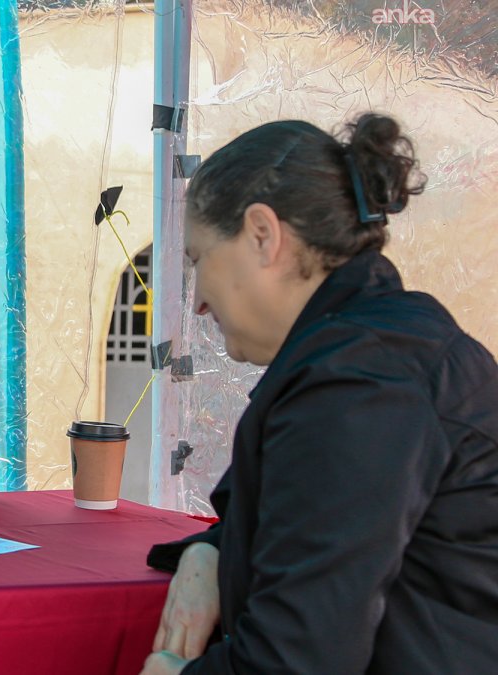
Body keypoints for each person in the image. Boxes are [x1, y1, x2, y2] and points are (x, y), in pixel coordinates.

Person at [140, 113, 498, 674]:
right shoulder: (366, 348)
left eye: (199, 259)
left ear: (263, 235)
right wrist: (207, 552)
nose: (199, 301)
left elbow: (301, 654)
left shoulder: (363, 383)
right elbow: (304, 517)